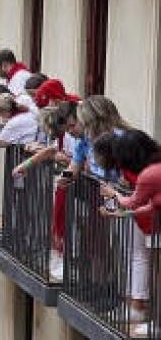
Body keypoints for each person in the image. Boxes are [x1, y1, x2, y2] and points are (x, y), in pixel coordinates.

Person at [95, 128, 161, 333]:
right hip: (151, 224)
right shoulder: (153, 168)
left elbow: (132, 202)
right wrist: (121, 213)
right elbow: (152, 206)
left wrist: (114, 194)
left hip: (154, 228)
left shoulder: (148, 174)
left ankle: (153, 320)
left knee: (154, 272)